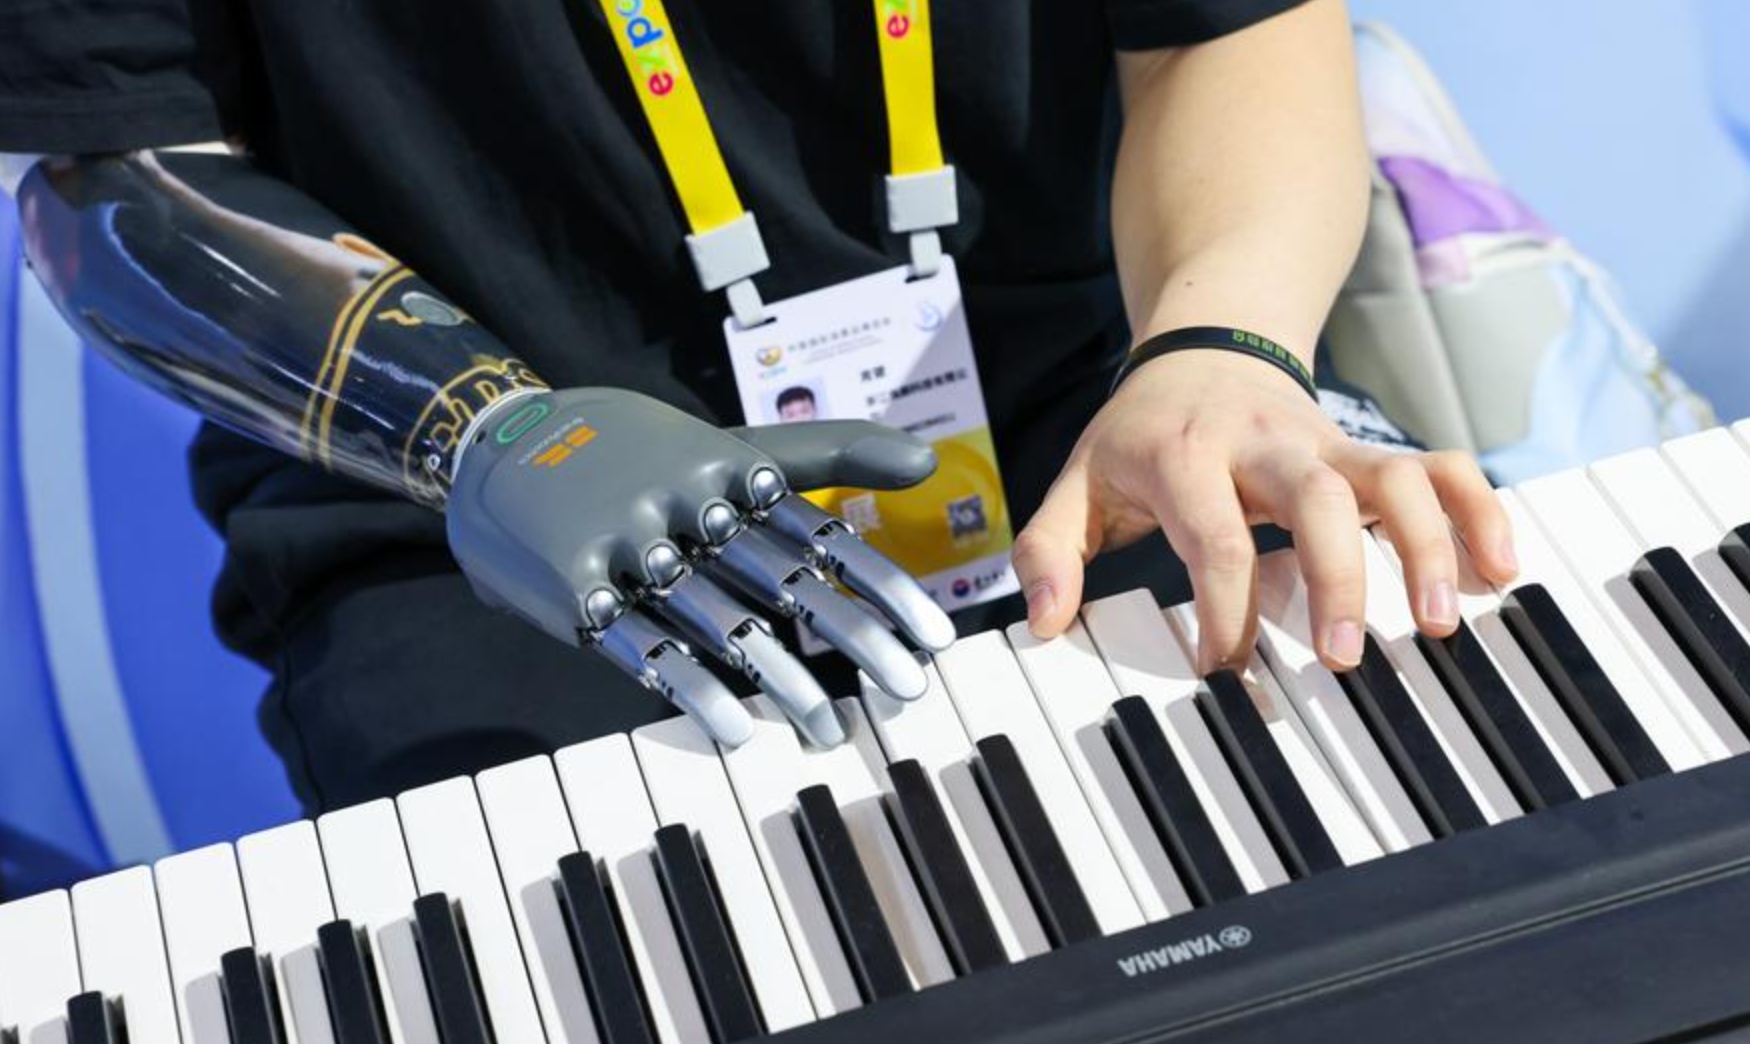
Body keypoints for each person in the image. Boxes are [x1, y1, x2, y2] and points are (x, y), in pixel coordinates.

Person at [0, 0, 1515, 815]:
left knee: (1403, 846)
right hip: (482, 520)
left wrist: (1219, 339)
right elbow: (116, 173)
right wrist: (485, 425)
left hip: (1089, 404)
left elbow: (1219, 21)